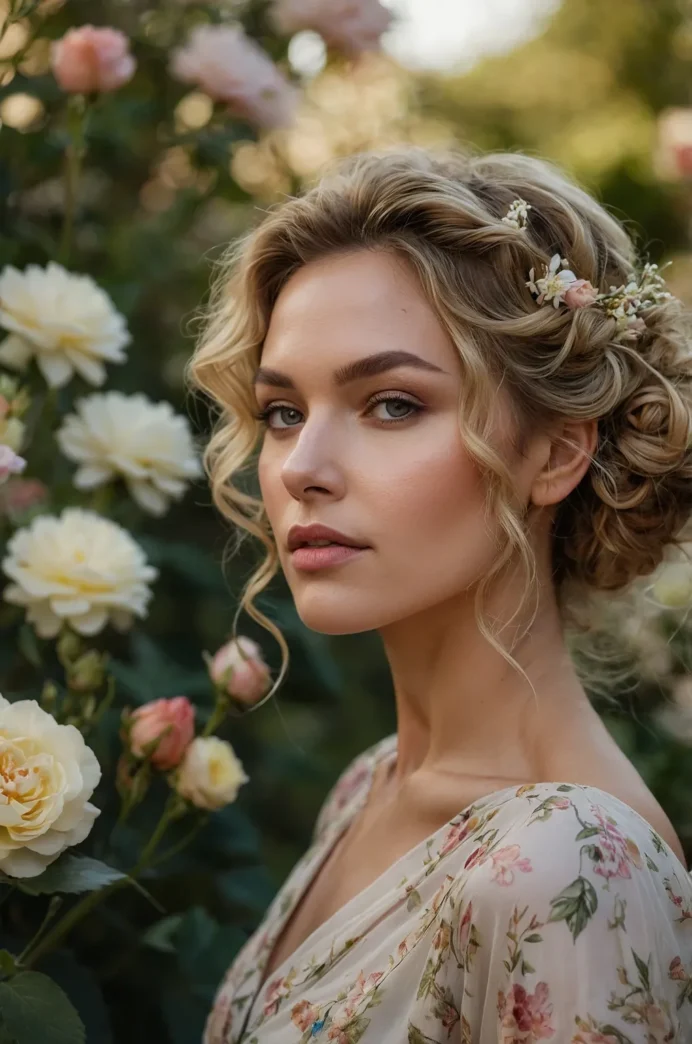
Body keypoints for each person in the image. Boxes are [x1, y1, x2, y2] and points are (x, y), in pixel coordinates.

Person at [187, 145, 692, 1043]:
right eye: (283, 412)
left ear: (555, 454)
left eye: (391, 404)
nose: (302, 469)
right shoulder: (372, 785)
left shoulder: (569, 863)